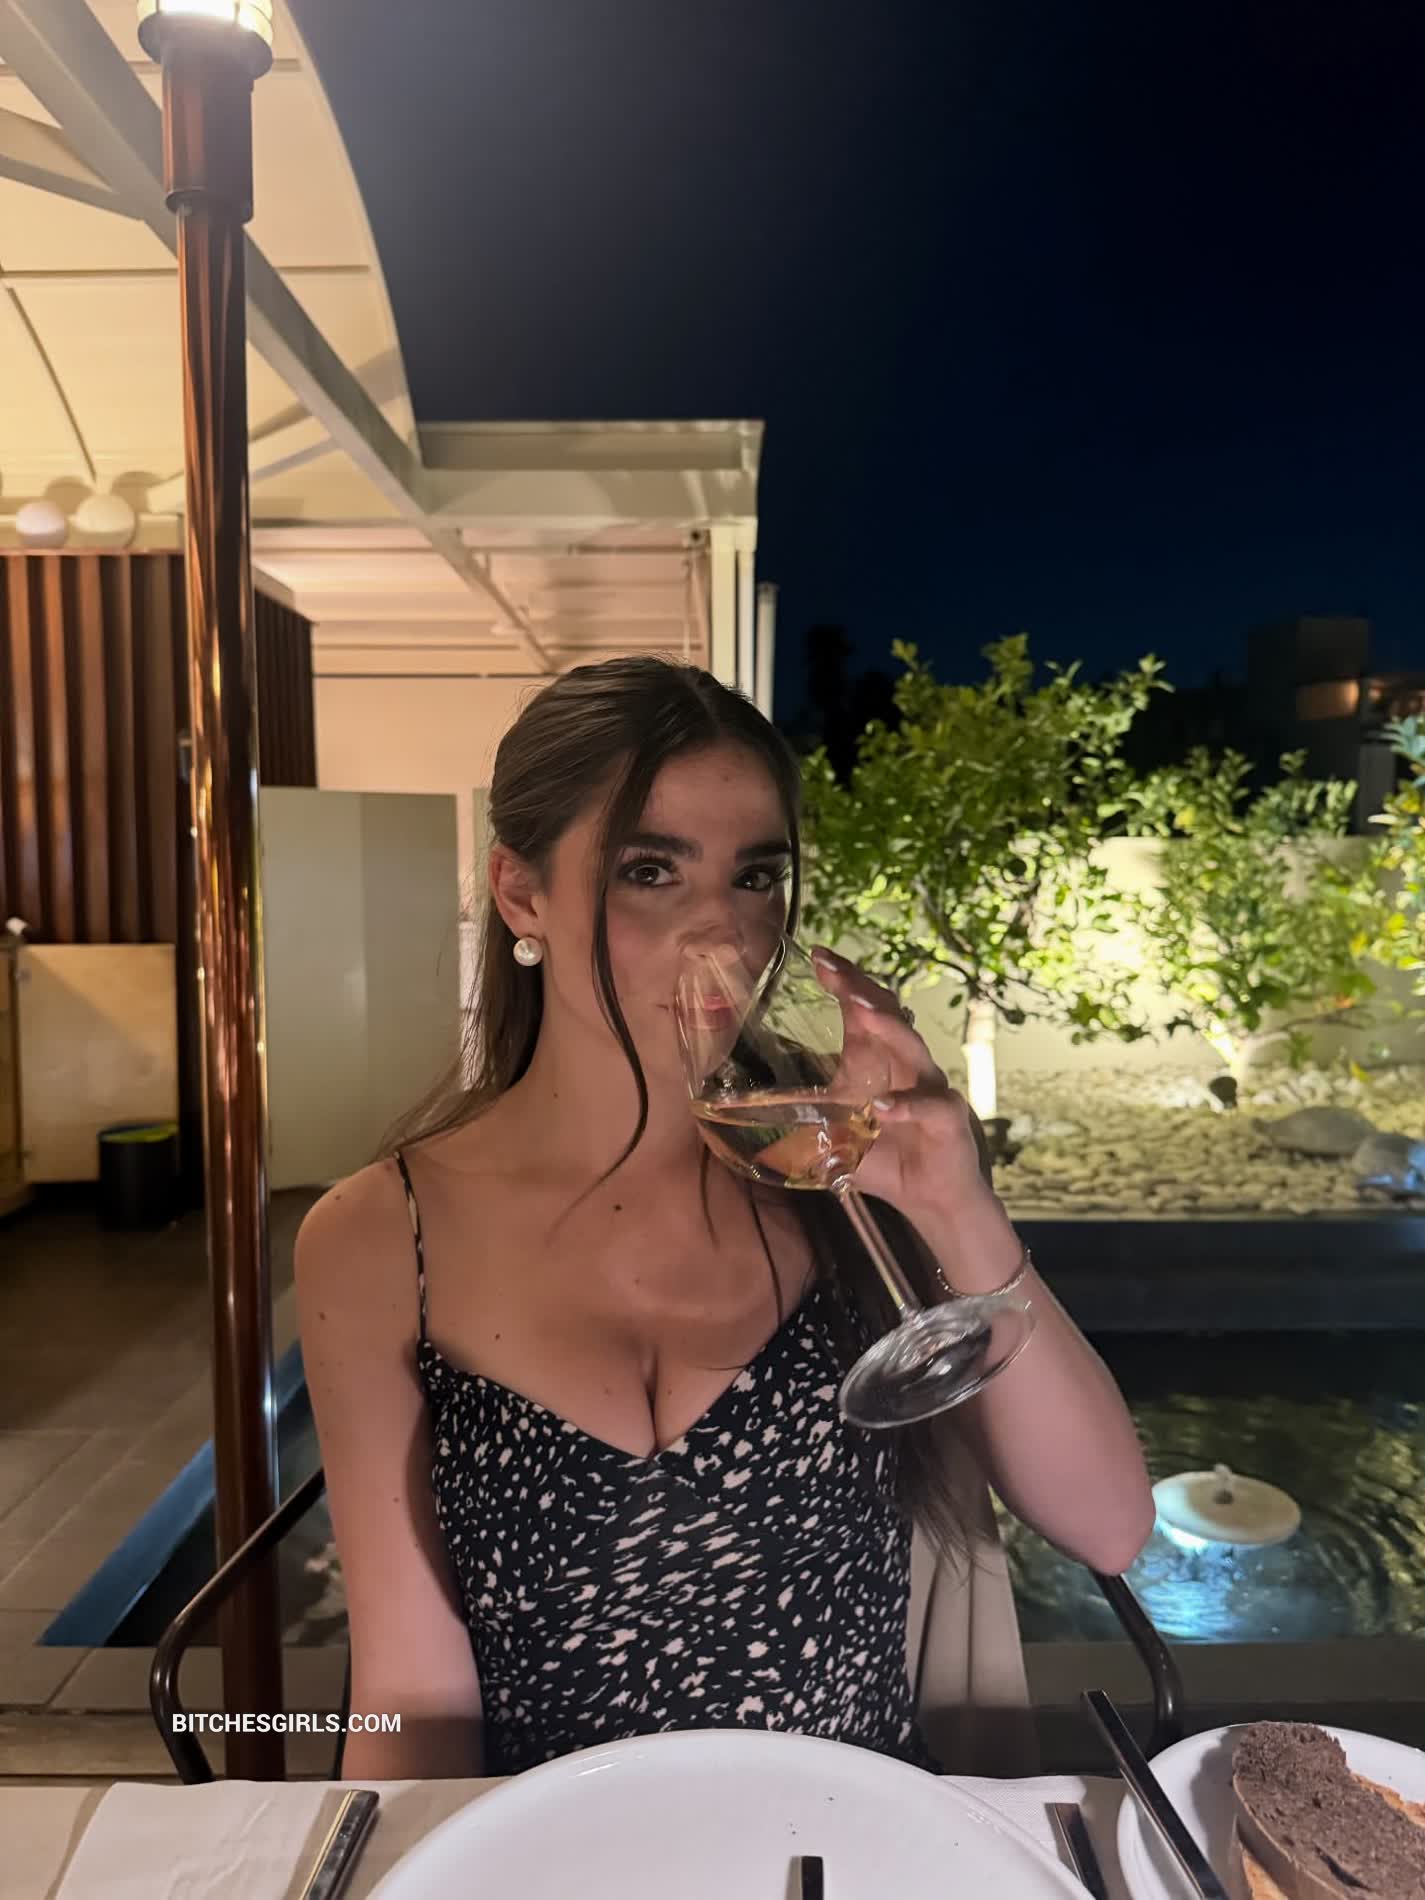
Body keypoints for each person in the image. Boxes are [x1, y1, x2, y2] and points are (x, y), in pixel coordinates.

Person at [294, 656, 1154, 1781]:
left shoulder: (847, 1165)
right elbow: (412, 1691)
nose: (726, 932)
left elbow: (1109, 1528)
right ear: (520, 894)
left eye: (756, 877)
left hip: (867, 1832)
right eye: (650, 870)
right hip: (554, 1845)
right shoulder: (379, 1238)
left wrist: (957, 1208)